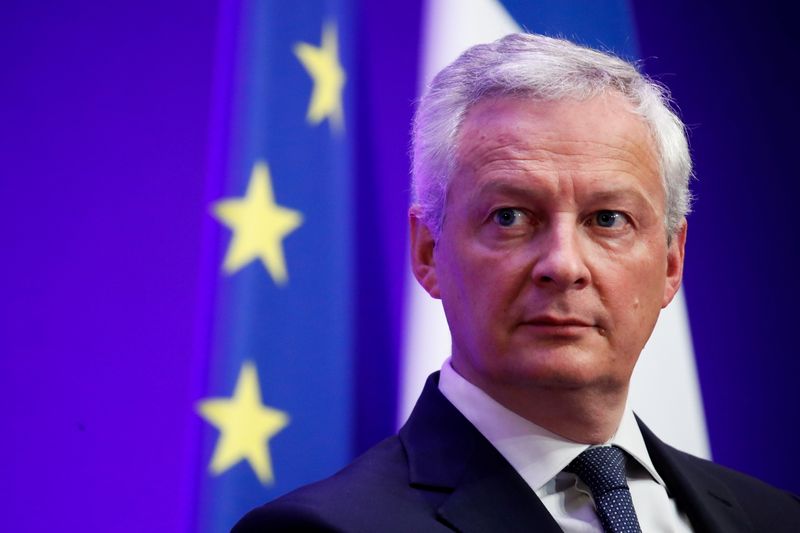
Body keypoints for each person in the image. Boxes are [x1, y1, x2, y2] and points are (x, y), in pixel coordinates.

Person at [233, 33, 800, 532]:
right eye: (509, 216)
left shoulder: (773, 517)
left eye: (607, 219)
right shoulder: (320, 530)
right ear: (428, 251)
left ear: (671, 262)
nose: (563, 265)